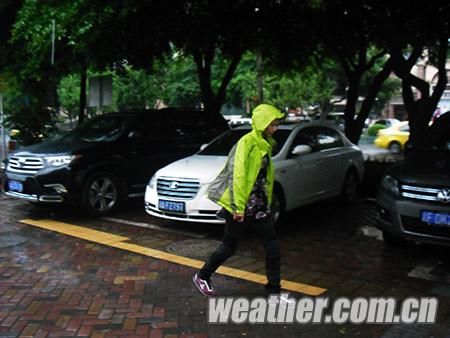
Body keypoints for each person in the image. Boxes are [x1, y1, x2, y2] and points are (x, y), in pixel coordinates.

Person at [193, 104, 284, 296]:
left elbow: (263, 178)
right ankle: (202, 276)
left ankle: (274, 291)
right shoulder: (246, 143)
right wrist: (238, 208)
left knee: (273, 249)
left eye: (276, 125)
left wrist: (267, 201)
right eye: (272, 125)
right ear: (262, 123)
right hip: (241, 207)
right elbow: (238, 176)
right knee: (228, 248)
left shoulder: (264, 143)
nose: (275, 129)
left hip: (260, 207)